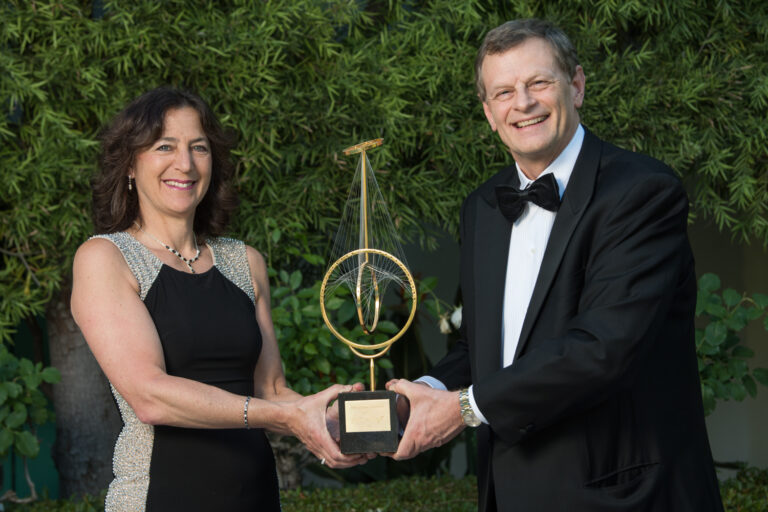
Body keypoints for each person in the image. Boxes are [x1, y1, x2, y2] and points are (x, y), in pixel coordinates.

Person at [386, 18, 724, 511]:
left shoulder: (641, 192)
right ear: (488, 112)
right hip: (509, 490)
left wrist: (462, 409)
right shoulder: (482, 207)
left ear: (577, 86)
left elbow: (604, 346)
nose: (521, 103)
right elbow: (482, 341)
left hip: (623, 494)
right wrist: (423, 390)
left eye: (538, 83)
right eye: (503, 92)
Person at [70, 87, 366, 512]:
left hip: (257, 499)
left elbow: (271, 390)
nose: (185, 163)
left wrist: (329, 420)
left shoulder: (244, 262)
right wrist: (286, 417)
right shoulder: (106, 257)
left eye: (199, 147)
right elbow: (150, 396)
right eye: (164, 146)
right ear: (130, 165)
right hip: (160, 500)